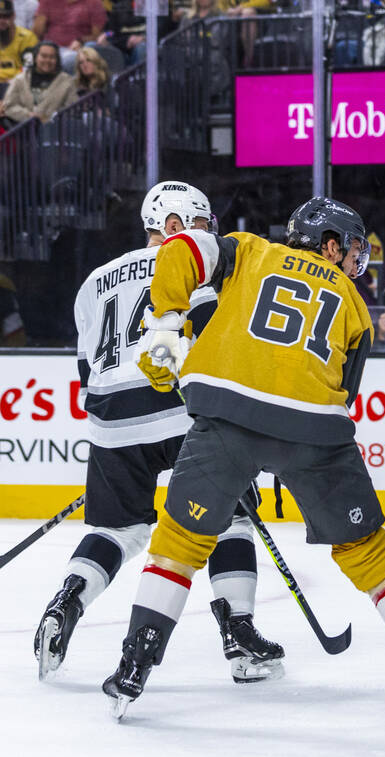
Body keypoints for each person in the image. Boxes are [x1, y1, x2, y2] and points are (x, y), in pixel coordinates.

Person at [101, 196, 385, 723]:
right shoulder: (354, 305)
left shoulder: (249, 251)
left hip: (226, 417)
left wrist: (165, 325)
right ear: (328, 243)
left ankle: (135, 663)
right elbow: (344, 392)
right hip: (314, 431)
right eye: (350, 251)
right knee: (367, 550)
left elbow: (181, 246)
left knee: (179, 544)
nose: (354, 263)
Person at [36, 181, 283, 686]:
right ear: (172, 226)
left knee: (116, 531)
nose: (205, 239)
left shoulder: (94, 280)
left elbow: (89, 371)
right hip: (184, 408)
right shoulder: (198, 269)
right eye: (197, 226)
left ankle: (66, 602)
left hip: (109, 419)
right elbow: (219, 349)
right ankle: (240, 635)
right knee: (228, 522)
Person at [0, 40, 76, 125]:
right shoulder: (20, 80)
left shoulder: (66, 81)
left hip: (55, 130)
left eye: (52, 57)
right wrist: (29, 115)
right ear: (36, 57)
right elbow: (9, 106)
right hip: (23, 130)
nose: (47, 60)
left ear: (57, 60)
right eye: (43, 56)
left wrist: (51, 117)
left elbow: (72, 109)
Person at [31, 0, 106, 73]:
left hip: (76, 49)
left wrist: (81, 41)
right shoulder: (47, 1)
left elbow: (97, 36)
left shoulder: (94, 3)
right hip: (49, 46)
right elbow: (37, 31)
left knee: (70, 60)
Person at [0, 0, 38, 95]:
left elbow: (28, 68)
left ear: (13, 16)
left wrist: (14, 80)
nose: (1, 21)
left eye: (6, 16)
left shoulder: (27, 38)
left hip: (17, 86)